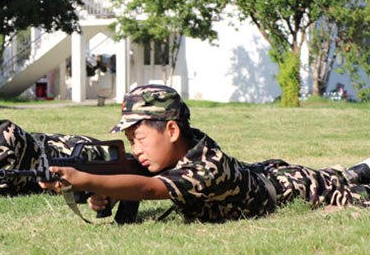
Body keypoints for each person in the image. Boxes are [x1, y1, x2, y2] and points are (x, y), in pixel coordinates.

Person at [41, 84, 370, 222]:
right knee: (341, 174)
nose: (135, 149)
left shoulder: (207, 166)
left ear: (171, 131)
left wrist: (85, 179)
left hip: (293, 187)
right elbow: (140, 180)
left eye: (139, 138)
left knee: (343, 188)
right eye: (130, 141)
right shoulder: (175, 151)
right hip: (263, 172)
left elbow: (149, 188)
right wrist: (107, 194)